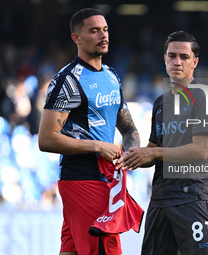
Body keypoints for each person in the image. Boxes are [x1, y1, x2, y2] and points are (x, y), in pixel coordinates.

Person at [38, 8, 140, 255]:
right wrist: (97, 146)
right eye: (93, 31)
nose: (102, 35)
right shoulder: (68, 80)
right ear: (76, 38)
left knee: (72, 250)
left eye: (105, 30)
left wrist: (133, 150)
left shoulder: (112, 76)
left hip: (103, 178)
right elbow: (46, 138)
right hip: (83, 178)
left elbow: (127, 127)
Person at [120, 31, 208, 254]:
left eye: (184, 57)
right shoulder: (160, 103)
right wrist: (132, 155)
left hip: (193, 197)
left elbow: (201, 150)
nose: (177, 61)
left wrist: (153, 154)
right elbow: (153, 150)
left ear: (195, 62)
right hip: (160, 198)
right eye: (172, 55)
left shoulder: (204, 97)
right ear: (164, 59)